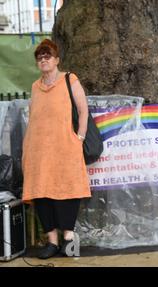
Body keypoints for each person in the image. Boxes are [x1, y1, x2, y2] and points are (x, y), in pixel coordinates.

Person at [22, 39, 91, 259]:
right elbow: (34, 118)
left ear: (57, 59)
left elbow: (83, 111)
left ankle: (68, 241)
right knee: (42, 194)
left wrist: (78, 137)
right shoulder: (35, 87)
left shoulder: (70, 80)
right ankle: (51, 242)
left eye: (47, 56)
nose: (43, 60)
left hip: (65, 149)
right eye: (40, 58)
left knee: (67, 192)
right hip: (38, 151)